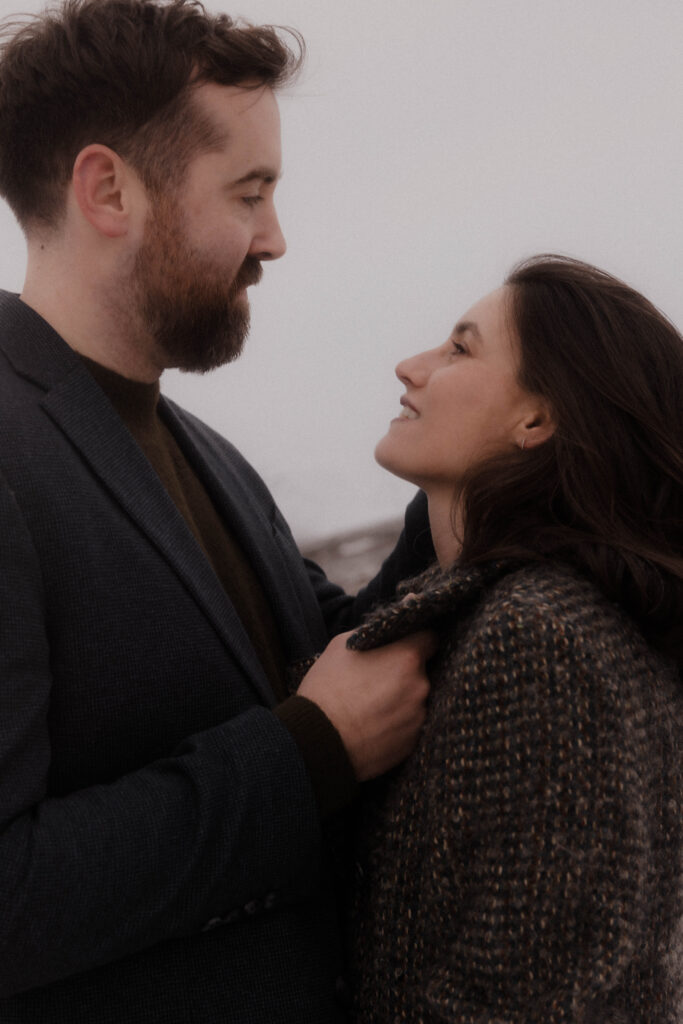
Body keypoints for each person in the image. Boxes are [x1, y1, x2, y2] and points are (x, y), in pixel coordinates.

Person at [0, 1, 436, 1021]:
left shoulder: (213, 457)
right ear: (109, 189)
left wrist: (480, 483)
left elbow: (344, 651)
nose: (274, 239)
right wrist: (304, 755)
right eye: (249, 192)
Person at [346, 255, 683, 1023]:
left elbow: (514, 997)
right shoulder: (553, 615)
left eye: (459, 349)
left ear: (537, 419)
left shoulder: (540, 636)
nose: (410, 367)